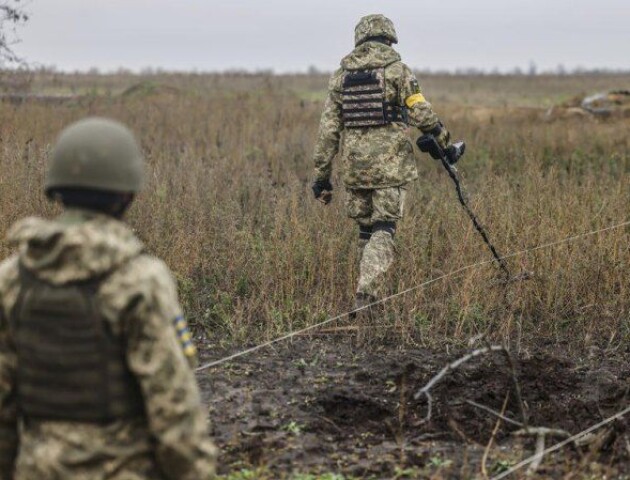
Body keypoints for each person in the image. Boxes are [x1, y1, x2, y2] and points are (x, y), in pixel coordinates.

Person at [0, 118, 217, 479]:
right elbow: (173, 406)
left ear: (57, 190)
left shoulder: (12, 278)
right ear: (127, 195)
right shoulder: (139, 279)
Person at [312, 14, 453, 311]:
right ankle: (367, 294)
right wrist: (442, 138)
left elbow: (328, 130)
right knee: (384, 228)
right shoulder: (398, 71)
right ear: (389, 39)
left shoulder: (341, 76)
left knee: (366, 230)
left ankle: (368, 297)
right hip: (390, 167)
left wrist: (322, 176)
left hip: (354, 168)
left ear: (360, 39)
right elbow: (420, 112)